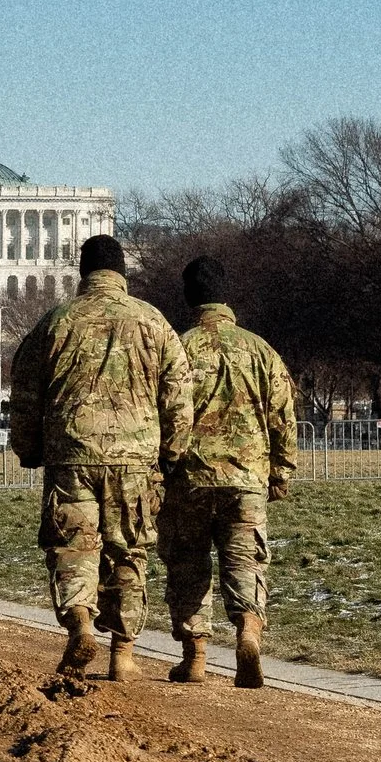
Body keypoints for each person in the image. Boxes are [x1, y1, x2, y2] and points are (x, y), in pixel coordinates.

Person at [7, 233, 190, 680]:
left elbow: (26, 395)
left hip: (72, 454)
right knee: (129, 552)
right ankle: (123, 654)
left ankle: (80, 625)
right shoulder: (153, 322)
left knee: (73, 548)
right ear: (122, 273)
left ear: (83, 272)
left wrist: (29, 448)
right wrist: (171, 453)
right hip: (135, 458)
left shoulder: (55, 322)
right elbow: (179, 395)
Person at [160, 257, 298, 690]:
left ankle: (195, 655)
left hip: (189, 479)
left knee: (188, 564)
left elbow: (164, 412)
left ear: (189, 297)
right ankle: (248, 635)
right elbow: (283, 417)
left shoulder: (178, 348)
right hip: (247, 479)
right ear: (226, 294)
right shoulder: (261, 350)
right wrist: (281, 470)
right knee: (245, 561)